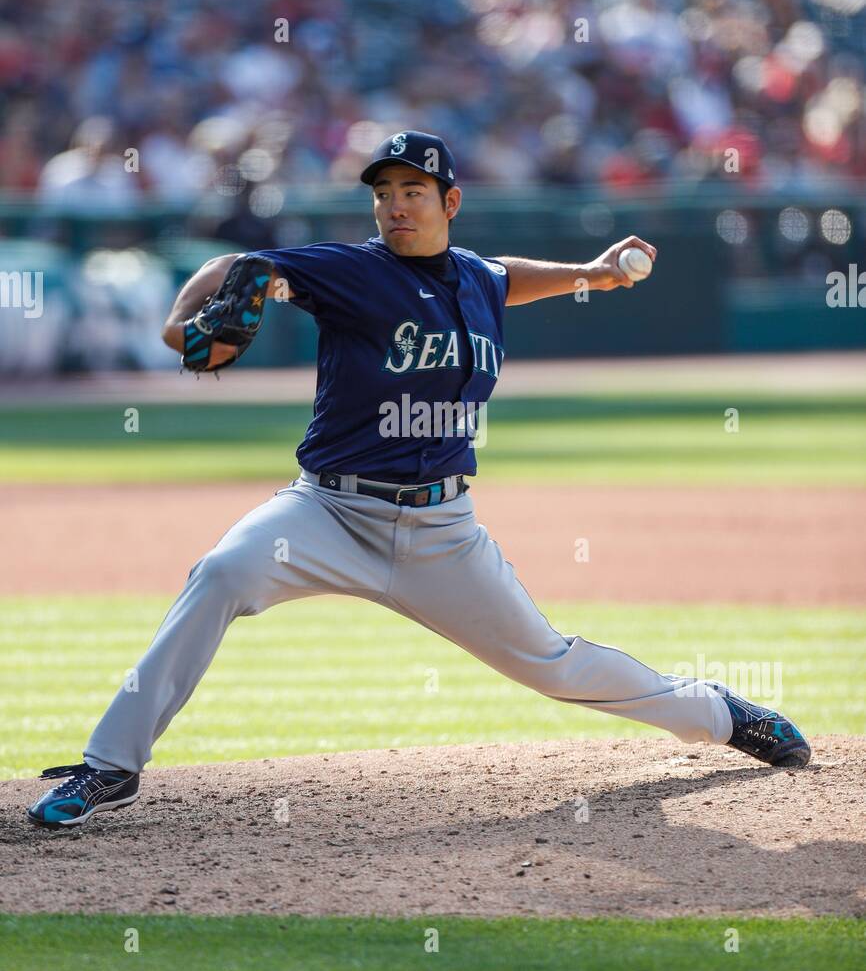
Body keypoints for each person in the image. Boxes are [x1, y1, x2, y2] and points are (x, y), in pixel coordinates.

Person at [26, 130, 811, 830]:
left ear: (449, 200)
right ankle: (112, 765)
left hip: (442, 533)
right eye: (383, 193)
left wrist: (595, 274)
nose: (395, 206)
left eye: (412, 191)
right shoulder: (348, 273)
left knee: (555, 663)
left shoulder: (475, 278)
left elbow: (507, 277)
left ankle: (722, 713)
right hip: (326, 511)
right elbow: (237, 266)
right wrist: (180, 325)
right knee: (224, 571)